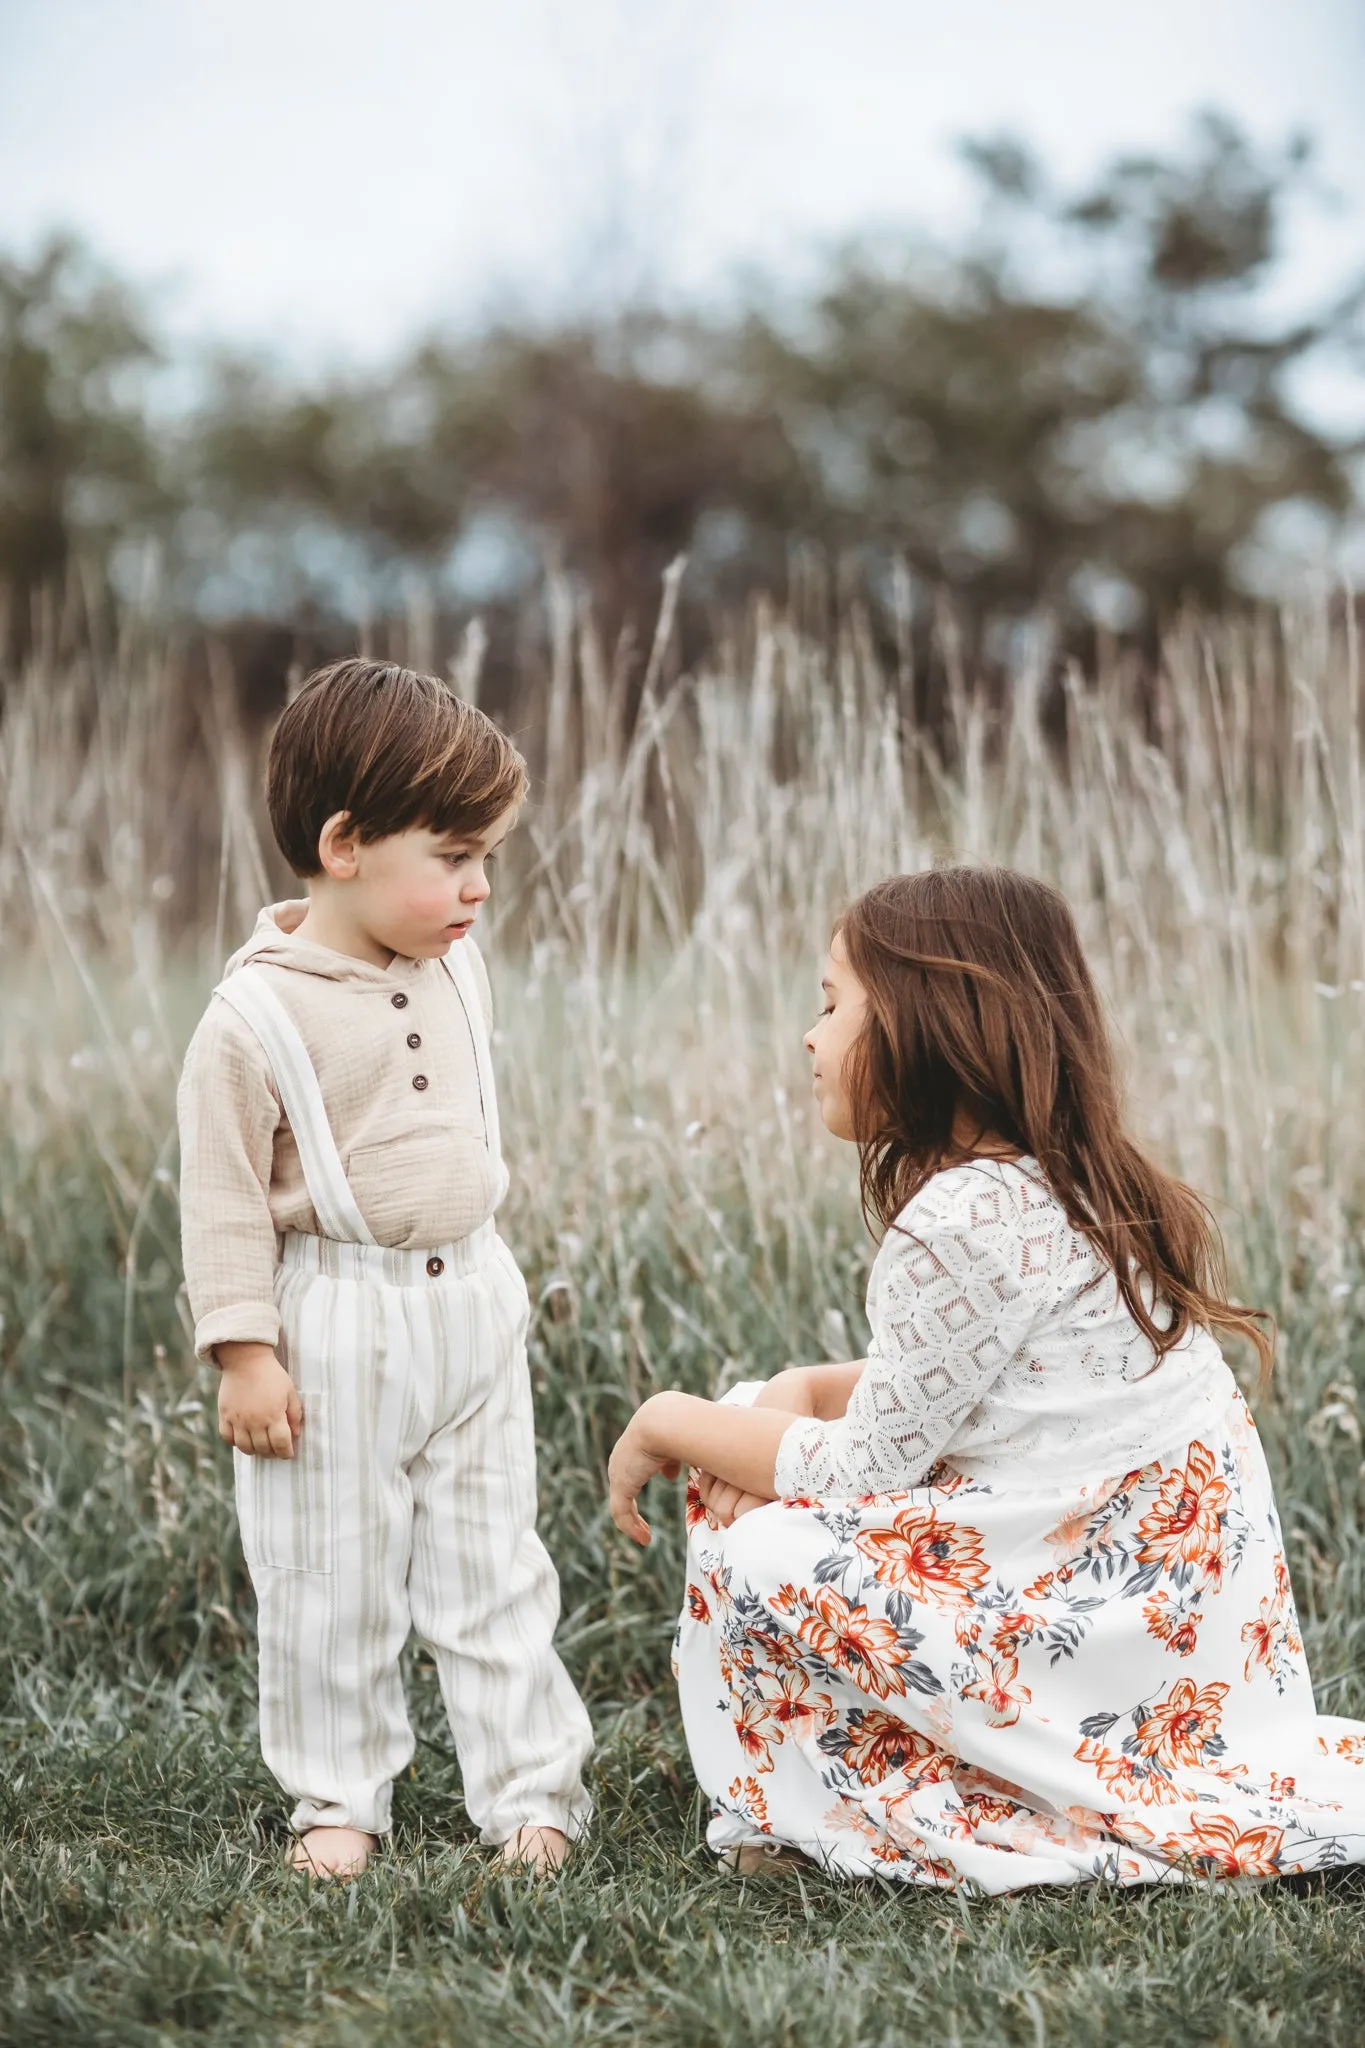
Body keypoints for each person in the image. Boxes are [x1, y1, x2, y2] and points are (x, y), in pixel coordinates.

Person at [608, 866, 1365, 1888]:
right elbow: (954, 1393)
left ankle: (833, 1810)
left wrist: (664, 1416)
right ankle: (859, 1777)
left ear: (929, 1022)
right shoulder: (1065, 1175)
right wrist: (786, 1384)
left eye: (833, 1004)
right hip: (1163, 1593)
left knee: (759, 1544)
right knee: (746, 1420)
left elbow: (860, 1467)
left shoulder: (957, 1219)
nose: (808, 1035)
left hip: (1106, 1599)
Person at [178, 657, 593, 1880]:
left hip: (472, 1299)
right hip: (335, 1323)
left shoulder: (452, 957)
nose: (477, 887)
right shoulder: (251, 1019)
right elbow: (221, 1199)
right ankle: (338, 1801)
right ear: (345, 842)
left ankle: (530, 1793)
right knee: (327, 1573)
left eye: (488, 860)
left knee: (494, 1561)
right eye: (453, 855)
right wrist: (245, 1352)